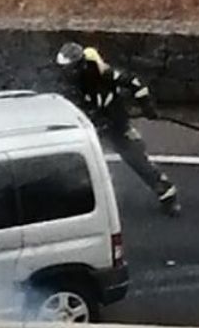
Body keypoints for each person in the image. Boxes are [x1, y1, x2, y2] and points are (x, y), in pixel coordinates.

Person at [55, 42, 181, 217]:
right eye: (64, 69)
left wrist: (147, 107)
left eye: (69, 68)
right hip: (91, 129)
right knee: (80, 162)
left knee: (137, 160)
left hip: (117, 124)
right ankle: (83, 198)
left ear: (79, 65)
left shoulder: (102, 73)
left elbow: (134, 83)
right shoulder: (68, 85)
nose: (66, 73)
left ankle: (167, 195)